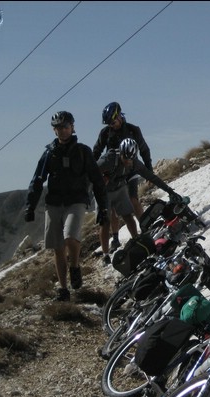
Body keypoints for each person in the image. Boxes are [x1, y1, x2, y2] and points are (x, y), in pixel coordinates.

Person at [25, 111, 109, 302]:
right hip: (54, 203)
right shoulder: (49, 153)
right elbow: (37, 180)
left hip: (76, 201)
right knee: (57, 248)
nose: (62, 131)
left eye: (65, 127)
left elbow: (97, 180)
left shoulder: (83, 151)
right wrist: (30, 206)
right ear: (54, 130)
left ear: (72, 127)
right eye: (58, 128)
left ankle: (75, 266)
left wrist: (102, 208)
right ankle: (63, 290)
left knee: (70, 237)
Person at [96, 137, 183, 267]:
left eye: (130, 158)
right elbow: (91, 172)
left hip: (120, 189)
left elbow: (151, 177)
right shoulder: (108, 160)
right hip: (103, 191)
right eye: (125, 157)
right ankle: (106, 255)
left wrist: (170, 191)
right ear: (121, 152)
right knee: (105, 221)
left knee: (128, 216)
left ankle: (137, 240)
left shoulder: (134, 163)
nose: (127, 161)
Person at [93, 101, 153, 252]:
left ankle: (146, 229)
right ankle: (115, 238)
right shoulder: (105, 133)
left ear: (119, 116)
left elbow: (144, 149)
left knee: (133, 200)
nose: (111, 126)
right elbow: (96, 151)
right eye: (108, 124)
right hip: (113, 172)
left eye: (113, 122)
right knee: (112, 209)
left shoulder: (133, 130)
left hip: (130, 171)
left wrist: (149, 170)